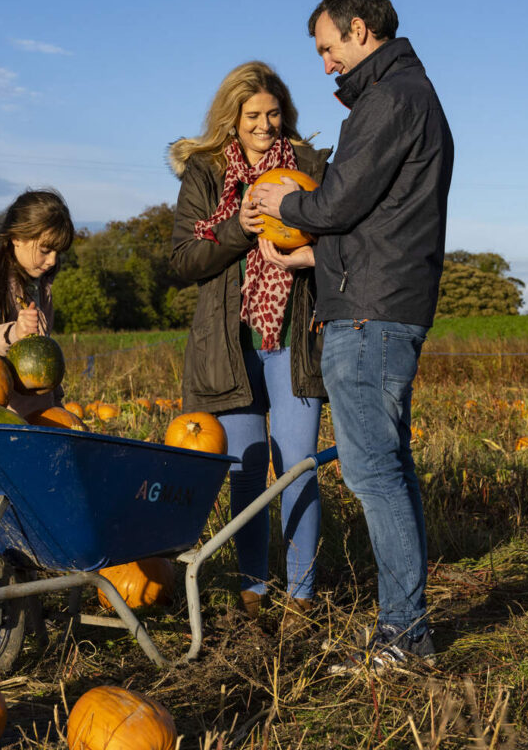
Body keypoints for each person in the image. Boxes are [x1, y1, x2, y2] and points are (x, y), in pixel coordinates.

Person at [249, 0, 454, 668]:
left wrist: (290, 199)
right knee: (391, 470)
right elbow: (378, 220)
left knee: (374, 476)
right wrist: (315, 252)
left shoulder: (390, 100)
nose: (326, 62)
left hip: (370, 316)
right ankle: (407, 630)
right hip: (379, 299)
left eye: (328, 47)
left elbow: (339, 201)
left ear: (359, 30)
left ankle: (403, 634)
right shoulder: (403, 95)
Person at [168, 61, 332, 632]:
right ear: (231, 119)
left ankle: (303, 599)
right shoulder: (207, 173)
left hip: (295, 336)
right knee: (247, 472)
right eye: (253, 116)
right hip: (229, 345)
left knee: (298, 468)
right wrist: (238, 227)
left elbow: (342, 243)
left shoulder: (311, 167)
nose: (265, 125)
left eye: (273, 113)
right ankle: (253, 597)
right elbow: (184, 259)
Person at [0, 189, 75, 418]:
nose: (52, 261)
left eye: (57, 253)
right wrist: (15, 332)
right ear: (17, 238)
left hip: (34, 410)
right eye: (45, 250)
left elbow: (44, 352)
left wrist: (57, 406)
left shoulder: (40, 285)